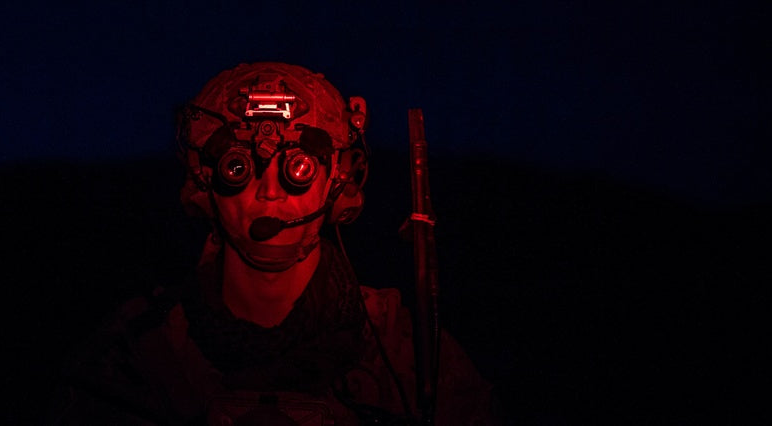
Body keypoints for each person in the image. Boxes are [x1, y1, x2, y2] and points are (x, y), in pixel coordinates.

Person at [48, 62, 497, 425]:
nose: (269, 192)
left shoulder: (408, 353)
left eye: (298, 168)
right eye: (237, 168)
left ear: (339, 181)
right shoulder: (136, 353)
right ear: (203, 181)